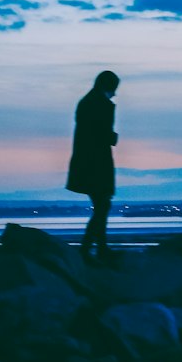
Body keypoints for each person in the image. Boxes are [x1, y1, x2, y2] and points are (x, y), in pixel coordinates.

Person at [66, 70, 119, 263]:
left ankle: (97, 248)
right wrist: (113, 138)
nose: (115, 94)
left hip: (87, 162)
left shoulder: (87, 102)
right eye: (114, 89)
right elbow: (102, 134)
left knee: (101, 205)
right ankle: (88, 248)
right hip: (96, 164)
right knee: (103, 205)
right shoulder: (101, 104)